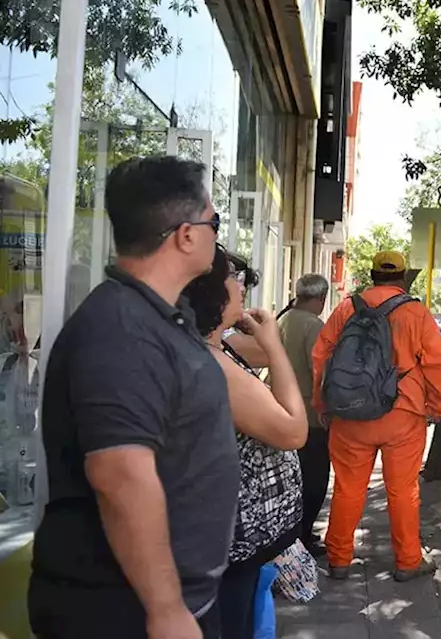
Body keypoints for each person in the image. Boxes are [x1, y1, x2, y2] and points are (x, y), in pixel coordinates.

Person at [29, 156, 237, 639]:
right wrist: (165, 609)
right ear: (185, 235)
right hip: (124, 611)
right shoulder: (120, 330)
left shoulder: (158, 318)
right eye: (213, 223)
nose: (214, 236)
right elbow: (119, 475)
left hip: (171, 602)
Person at [186, 246, 308, 638]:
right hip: (232, 539)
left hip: (239, 538)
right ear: (208, 293)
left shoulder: (217, 347)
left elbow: (263, 355)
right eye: (234, 281)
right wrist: (273, 344)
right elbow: (293, 431)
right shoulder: (210, 363)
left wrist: (263, 337)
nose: (242, 290)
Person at [312, 251, 441, 581]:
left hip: (350, 415)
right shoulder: (416, 312)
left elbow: (321, 357)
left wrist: (323, 405)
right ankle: (407, 561)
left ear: (372, 275)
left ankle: (339, 559)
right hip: (403, 415)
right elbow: (436, 364)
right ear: (402, 278)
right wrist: (439, 406)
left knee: (347, 488)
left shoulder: (347, 308)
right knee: (403, 490)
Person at [278, 273, 332, 555]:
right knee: (314, 480)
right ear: (321, 299)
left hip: (281, 410)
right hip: (309, 416)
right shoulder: (313, 325)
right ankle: (303, 537)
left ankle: (294, 536)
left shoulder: (284, 319)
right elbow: (319, 373)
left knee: (292, 480)